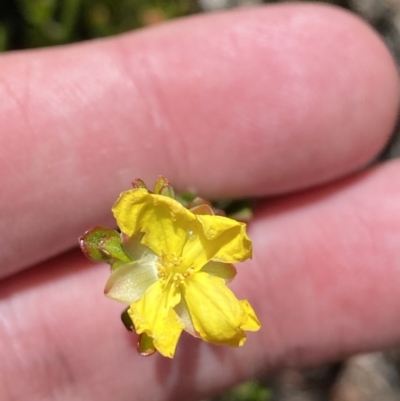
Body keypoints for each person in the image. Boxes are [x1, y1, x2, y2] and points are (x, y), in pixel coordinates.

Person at [0, 3, 399, 400]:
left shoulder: (208, 238)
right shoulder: (155, 253)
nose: (176, 268)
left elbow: (216, 235)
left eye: (177, 266)